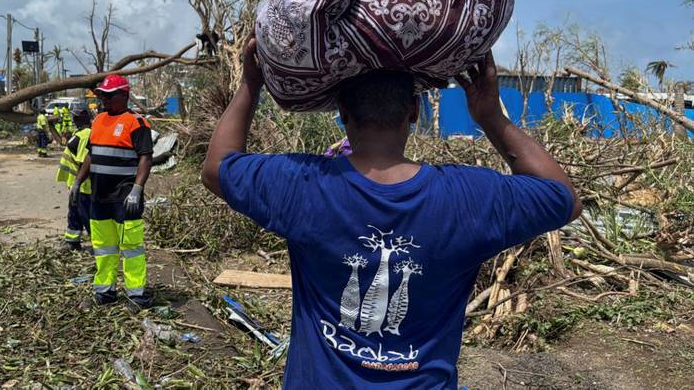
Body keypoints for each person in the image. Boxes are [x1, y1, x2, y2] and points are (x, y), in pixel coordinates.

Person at [201, 39, 582, 389]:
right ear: (415, 111)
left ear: (342, 113)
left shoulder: (303, 184)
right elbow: (563, 197)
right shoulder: (468, 197)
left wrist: (251, 84)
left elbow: (217, 168)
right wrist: (491, 118)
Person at [73, 74, 154, 309]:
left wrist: (137, 189)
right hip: (99, 196)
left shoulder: (136, 122)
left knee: (131, 247)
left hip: (124, 196)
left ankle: (137, 294)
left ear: (124, 96)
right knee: (103, 247)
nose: (104, 101)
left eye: (109, 96)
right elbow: (91, 155)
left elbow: (145, 158)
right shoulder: (98, 121)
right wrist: (78, 182)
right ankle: (105, 291)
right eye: (102, 96)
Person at [56, 109, 93, 251]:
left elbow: (84, 162)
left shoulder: (85, 136)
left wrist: (78, 182)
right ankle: (72, 242)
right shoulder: (80, 134)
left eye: (75, 116)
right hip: (76, 185)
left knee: (87, 216)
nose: (73, 119)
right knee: (74, 214)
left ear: (79, 119)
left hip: (84, 186)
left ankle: (100, 245)